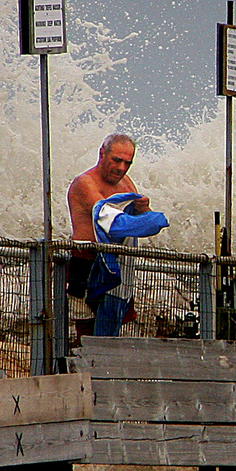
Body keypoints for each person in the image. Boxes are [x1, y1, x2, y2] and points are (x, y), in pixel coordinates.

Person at [66, 133, 167, 336]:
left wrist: (146, 210)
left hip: (120, 267)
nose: (121, 168)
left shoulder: (125, 182)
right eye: (117, 160)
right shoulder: (86, 184)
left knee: (112, 328)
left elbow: (138, 222)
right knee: (87, 331)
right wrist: (154, 220)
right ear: (102, 154)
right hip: (88, 264)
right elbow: (113, 222)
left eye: (127, 163)